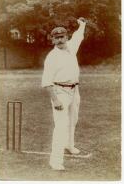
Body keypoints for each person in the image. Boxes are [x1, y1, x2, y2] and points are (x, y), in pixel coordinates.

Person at [42, 17, 87, 170]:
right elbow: (47, 81)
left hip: (74, 90)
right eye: (57, 38)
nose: (60, 40)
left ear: (66, 37)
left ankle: (69, 145)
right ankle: (55, 161)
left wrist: (82, 25)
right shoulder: (51, 57)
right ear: (52, 40)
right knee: (61, 125)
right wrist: (55, 100)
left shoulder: (71, 46)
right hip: (59, 91)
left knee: (73, 119)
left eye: (62, 37)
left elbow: (78, 36)